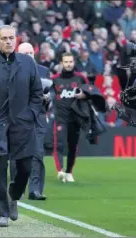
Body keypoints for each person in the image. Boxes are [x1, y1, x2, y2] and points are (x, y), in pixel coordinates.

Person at [0, 25, 43, 227]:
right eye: (4, 38)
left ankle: (15, 193)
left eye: (11, 38)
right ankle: (2, 212)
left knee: (25, 167)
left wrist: (30, 114)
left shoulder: (28, 63)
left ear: (16, 40)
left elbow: (37, 93)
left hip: (22, 123)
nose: (8, 41)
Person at [18, 42, 50, 200]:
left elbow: (50, 94)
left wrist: (48, 99)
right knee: (19, 153)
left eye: (31, 52)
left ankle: (35, 190)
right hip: (19, 116)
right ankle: (18, 187)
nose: (29, 56)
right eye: (25, 53)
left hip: (39, 116)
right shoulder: (12, 70)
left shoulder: (44, 71)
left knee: (38, 153)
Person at [51, 52, 90, 183]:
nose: (68, 64)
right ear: (61, 64)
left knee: (73, 146)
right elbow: (46, 94)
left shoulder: (80, 78)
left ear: (74, 63)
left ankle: (69, 172)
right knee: (59, 144)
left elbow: (90, 92)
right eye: (66, 62)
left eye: (70, 62)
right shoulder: (54, 79)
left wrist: (84, 96)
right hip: (61, 117)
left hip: (76, 118)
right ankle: (60, 170)